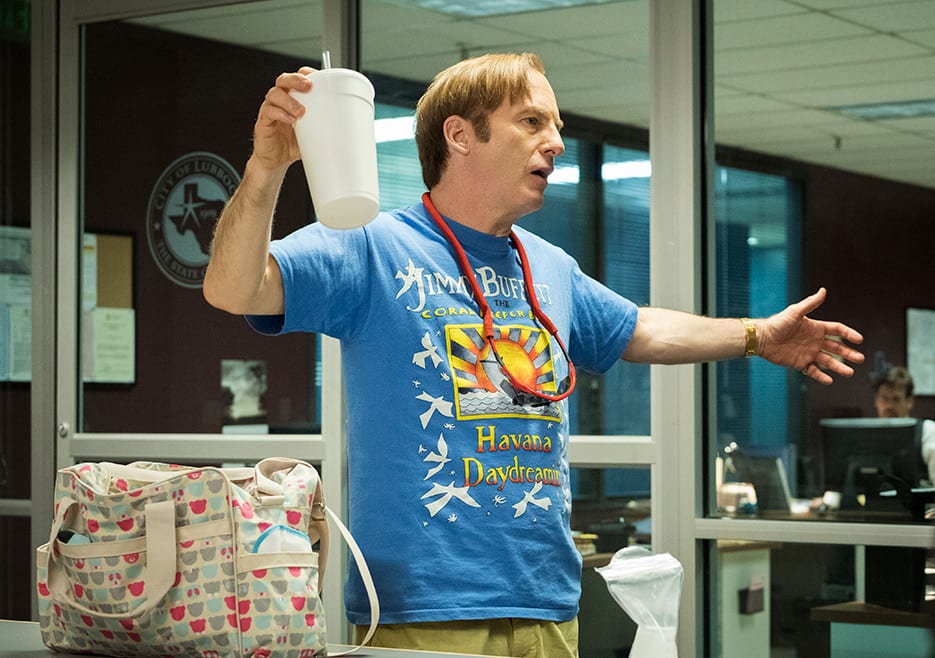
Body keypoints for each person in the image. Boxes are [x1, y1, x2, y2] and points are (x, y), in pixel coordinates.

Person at [203, 52, 864, 657]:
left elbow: (639, 330)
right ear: (460, 135)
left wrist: (755, 335)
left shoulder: (547, 265)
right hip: (427, 607)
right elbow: (232, 289)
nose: (555, 142)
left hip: (547, 603)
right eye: (531, 122)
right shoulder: (371, 245)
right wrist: (267, 167)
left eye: (556, 125)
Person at [872, 365, 935, 484]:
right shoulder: (866, 435)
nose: (889, 406)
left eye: (896, 399)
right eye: (884, 398)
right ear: (876, 400)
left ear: (909, 401)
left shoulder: (928, 432)